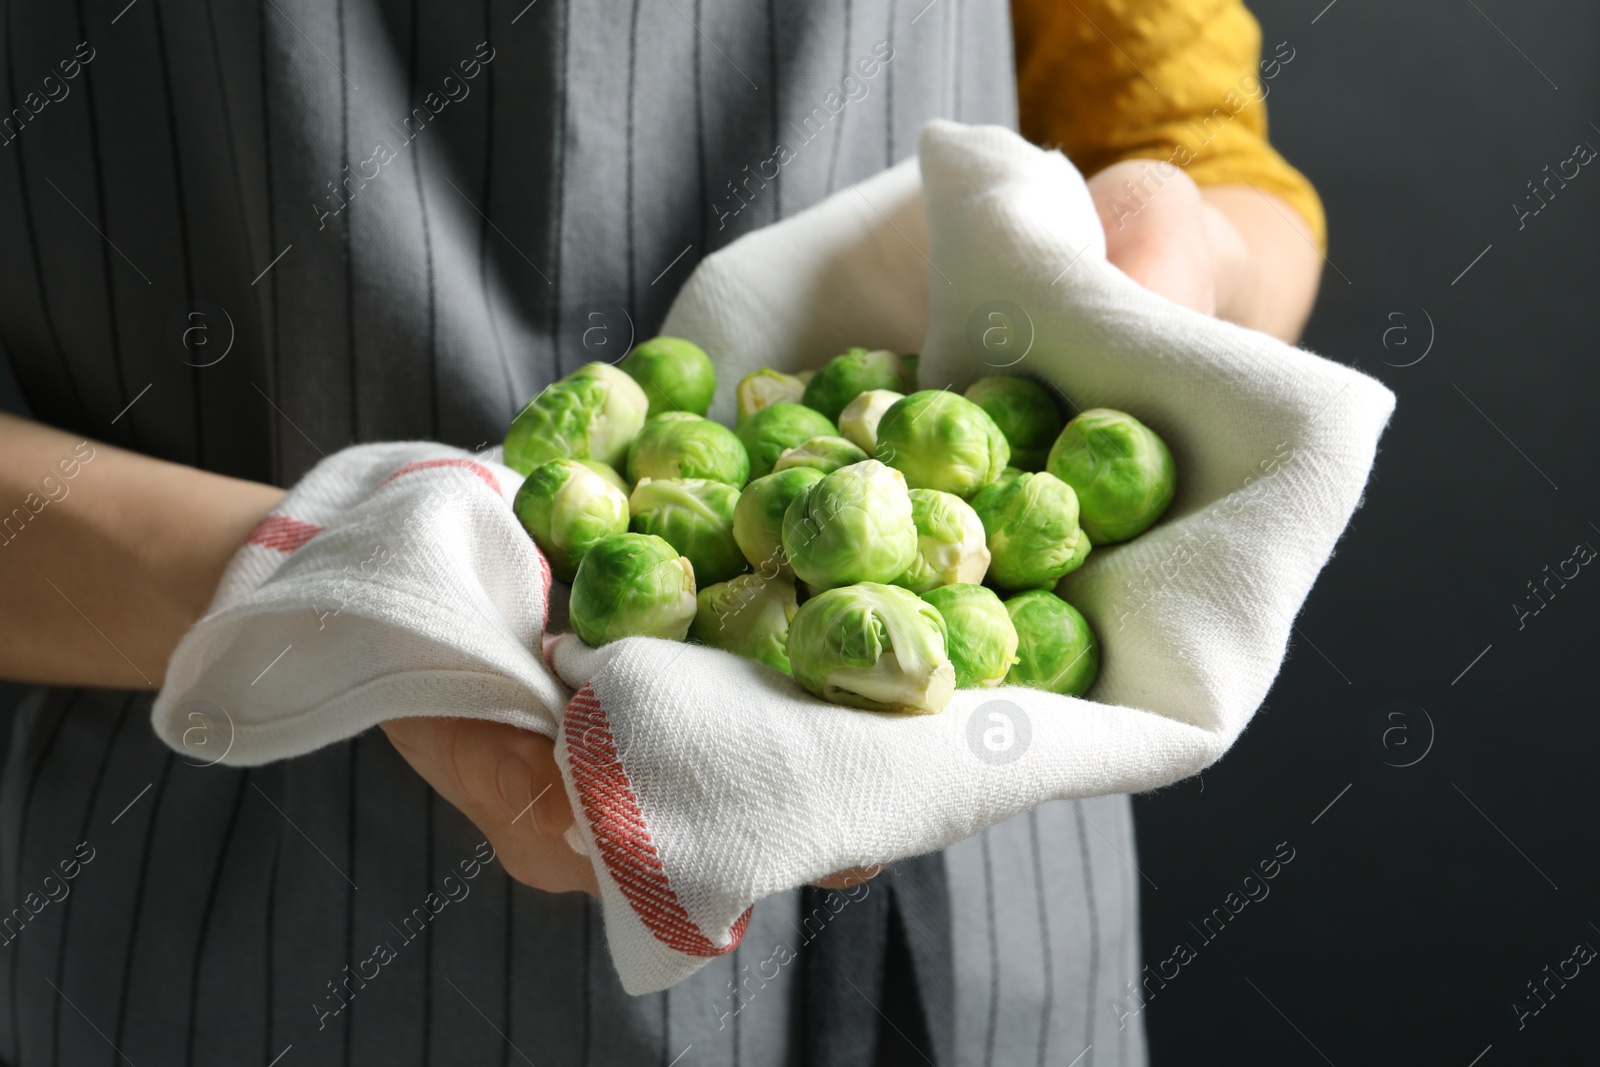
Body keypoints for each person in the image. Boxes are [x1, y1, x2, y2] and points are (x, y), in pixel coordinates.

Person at [0, 0, 1321, 1062]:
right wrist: (358, 590)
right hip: (257, 871)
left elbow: (1198, 156)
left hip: (967, 853)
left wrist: (1167, 288)